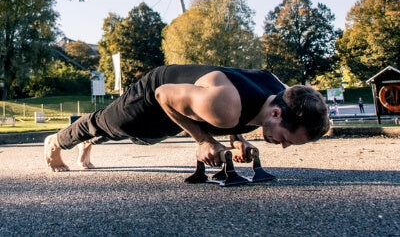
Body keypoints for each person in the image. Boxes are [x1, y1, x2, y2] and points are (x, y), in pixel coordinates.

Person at [44, 64, 330, 172]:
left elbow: (250, 107)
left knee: (143, 140)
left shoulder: (281, 93)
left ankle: (90, 142)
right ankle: (55, 143)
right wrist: (203, 141)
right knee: (110, 124)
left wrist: (238, 138)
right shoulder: (223, 105)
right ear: (277, 113)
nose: (282, 146)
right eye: (286, 140)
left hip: (186, 105)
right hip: (154, 95)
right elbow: (164, 96)